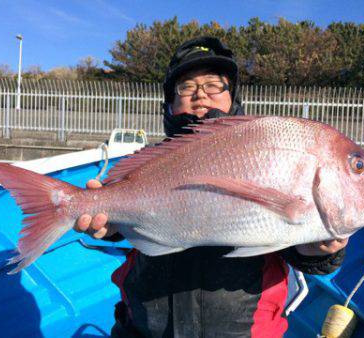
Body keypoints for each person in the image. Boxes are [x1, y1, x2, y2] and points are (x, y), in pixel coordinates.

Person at [74, 37, 348, 338]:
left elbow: (296, 245)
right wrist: (111, 227)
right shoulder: (147, 163)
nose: (201, 95)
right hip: (143, 327)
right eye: (186, 87)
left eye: (214, 84)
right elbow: (129, 224)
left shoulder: (267, 149)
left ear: (233, 97)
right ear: (170, 103)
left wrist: (317, 252)